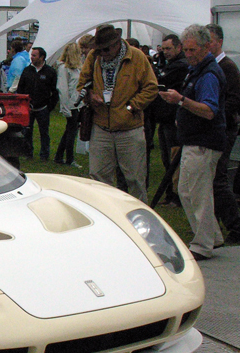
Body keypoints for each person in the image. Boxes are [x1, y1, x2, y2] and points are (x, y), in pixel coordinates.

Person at [159, 24, 226, 260]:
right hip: (196, 140)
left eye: (192, 50)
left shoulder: (208, 74)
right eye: (186, 50)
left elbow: (209, 110)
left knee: (194, 193)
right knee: (191, 190)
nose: (188, 54)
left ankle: (203, 243)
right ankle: (211, 236)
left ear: (206, 47)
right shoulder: (198, 69)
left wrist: (181, 101)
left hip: (203, 142)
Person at [77, 24, 158, 203]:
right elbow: (81, 83)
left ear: (116, 45)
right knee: (98, 177)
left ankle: (139, 219)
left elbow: (151, 87)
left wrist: (131, 107)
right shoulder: (94, 57)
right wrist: (90, 95)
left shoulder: (137, 57)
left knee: (135, 179)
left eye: (105, 49)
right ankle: (105, 215)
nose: (102, 53)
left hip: (130, 129)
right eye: (98, 49)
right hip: (101, 127)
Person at [206, 24, 240, 244]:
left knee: (218, 178)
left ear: (219, 41)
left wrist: (212, 113)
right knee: (211, 178)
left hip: (224, 129)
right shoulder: (211, 67)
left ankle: (235, 224)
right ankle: (215, 223)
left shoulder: (227, 67)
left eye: (208, 40)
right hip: (214, 128)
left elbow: (234, 100)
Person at [152, 34, 189, 206]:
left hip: (173, 119)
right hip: (165, 118)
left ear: (178, 48)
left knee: (174, 159)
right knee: (167, 158)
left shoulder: (180, 66)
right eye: (163, 48)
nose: (165, 52)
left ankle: (176, 195)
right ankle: (171, 194)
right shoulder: (170, 64)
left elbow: (160, 80)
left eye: (169, 49)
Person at [16, 46, 59, 161]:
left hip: (43, 108)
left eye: (34, 55)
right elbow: (20, 88)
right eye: (32, 55)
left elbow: (55, 91)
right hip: (28, 108)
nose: (32, 57)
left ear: (42, 57)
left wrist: (49, 107)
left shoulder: (50, 72)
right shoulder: (27, 70)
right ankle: (28, 153)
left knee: (44, 132)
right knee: (27, 132)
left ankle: (44, 155)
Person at [54, 42, 83, 168]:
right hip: (71, 105)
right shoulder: (63, 68)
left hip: (76, 104)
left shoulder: (75, 69)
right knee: (71, 132)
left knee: (70, 130)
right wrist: (66, 108)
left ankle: (59, 156)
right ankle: (69, 158)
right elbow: (63, 89)